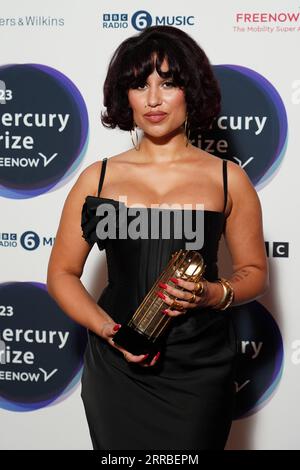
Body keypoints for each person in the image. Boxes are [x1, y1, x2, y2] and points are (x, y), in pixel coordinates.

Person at [47, 25, 268, 450]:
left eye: (168, 83)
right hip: (116, 366)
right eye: (138, 84)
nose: (152, 99)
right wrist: (108, 330)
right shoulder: (99, 177)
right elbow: (61, 273)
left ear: (192, 91)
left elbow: (255, 273)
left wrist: (210, 294)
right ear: (123, 95)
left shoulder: (228, 178)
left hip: (199, 369)